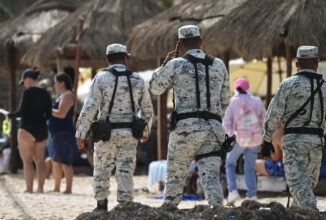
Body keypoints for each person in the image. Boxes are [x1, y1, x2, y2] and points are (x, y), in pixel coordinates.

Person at [149, 25, 230, 208]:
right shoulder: (219, 64)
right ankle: (216, 212)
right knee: (211, 179)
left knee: (175, 178)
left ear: (180, 45)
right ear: (201, 42)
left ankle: (169, 211)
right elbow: (225, 101)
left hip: (185, 129)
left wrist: (164, 64)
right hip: (213, 128)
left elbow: (155, 87)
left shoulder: (176, 64)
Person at [261, 46, 326, 208]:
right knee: (307, 185)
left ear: (297, 65)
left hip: (294, 141)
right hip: (316, 142)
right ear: (316, 64)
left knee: (297, 184)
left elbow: (273, 115)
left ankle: (312, 211)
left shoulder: (287, 85)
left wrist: (266, 140)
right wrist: (320, 117)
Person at [76, 44, 153, 211]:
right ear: (125, 58)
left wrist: (81, 133)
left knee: (102, 169)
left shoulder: (101, 78)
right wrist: (145, 131)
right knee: (125, 169)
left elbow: (90, 107)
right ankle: (124, 207)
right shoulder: (137, 79)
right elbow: (147, 109)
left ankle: (101, 205)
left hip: (105, 133)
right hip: (129, 133)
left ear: (107, 60)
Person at [6, 69, 52, 193]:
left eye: (24, 82)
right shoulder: (46, 93)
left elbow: (22, 112)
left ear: (28, 79)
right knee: (40, 160)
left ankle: (29, 188)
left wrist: (10, 115)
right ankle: (41, 188)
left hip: (27, 129)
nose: (24, 85)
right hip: (42, 129)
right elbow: (49, 114)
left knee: (27, 161)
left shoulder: (28, 93)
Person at [222, 78, 266, 204]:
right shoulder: (257, 101)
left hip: (239, 139)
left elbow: (226, 123)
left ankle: (233, 192)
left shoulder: (232, 102)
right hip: (255, 141)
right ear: (248, 89)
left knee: (230, 164)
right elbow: (264, 119)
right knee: (250, 167)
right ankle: (251, 195)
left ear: (236, 89)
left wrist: (230, 136)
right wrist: (260, 132)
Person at [47, 73, 78, 193]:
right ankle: (57, 187)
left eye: (55, 82)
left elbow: (61, 113)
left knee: (66, 161)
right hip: (56, 133)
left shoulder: (68, 95)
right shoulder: (60, 95)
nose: (54, 85)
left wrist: (46, 109)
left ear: (62, 83)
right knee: (55, 161)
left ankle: (68, 189)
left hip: (64, 132)